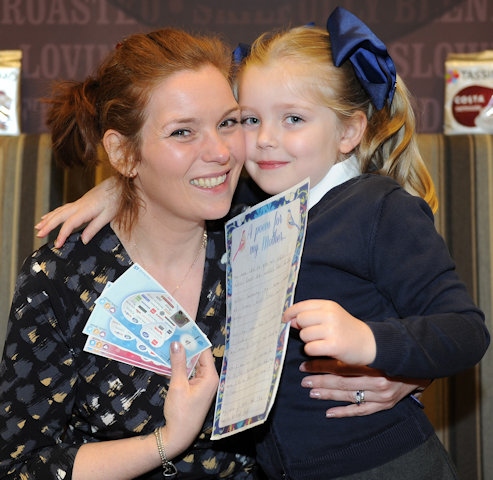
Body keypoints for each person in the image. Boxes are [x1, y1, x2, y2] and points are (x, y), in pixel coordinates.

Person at [32, 8, 468, 478]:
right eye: (249, 119)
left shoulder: (379, 209)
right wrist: (116, 185)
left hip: (384, 463)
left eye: (294, 119)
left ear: (349, 131)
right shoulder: (249, 205)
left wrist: (378, 349)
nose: (262, 141)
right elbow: (173, 177)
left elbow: (462, 327)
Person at [0, 28, 257, 480]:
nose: (220, 152)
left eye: (229, 122)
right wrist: (165, 442)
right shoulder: (59, 279)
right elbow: (23, 467)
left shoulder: (261, 234)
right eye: (183, 131)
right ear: (122, 152)